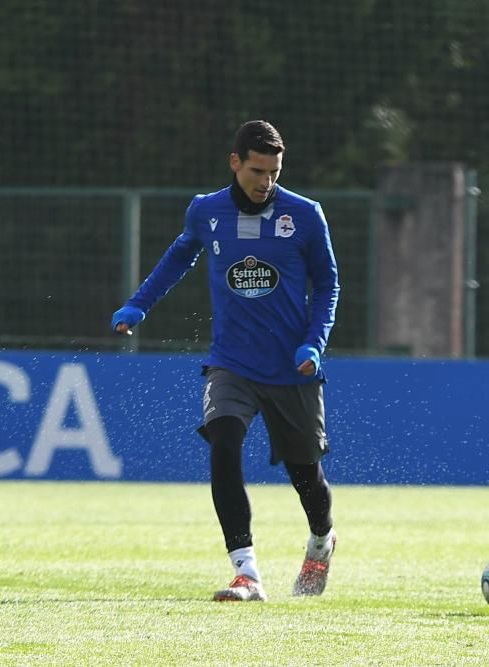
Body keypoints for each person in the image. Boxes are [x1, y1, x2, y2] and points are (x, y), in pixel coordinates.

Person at [111, 120, 340, 602]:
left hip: (292, 368)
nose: (266, 181)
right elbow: (179, 257)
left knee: (305, 477)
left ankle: (322, 539)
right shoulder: (206, 211)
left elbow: (327, 286)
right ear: (235, 162)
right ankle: (247, 572)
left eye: (275, 172)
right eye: (258, 170)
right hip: (231, 362)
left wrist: (314, 343)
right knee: (224, 441)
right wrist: (139, 304)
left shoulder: (304, 215)